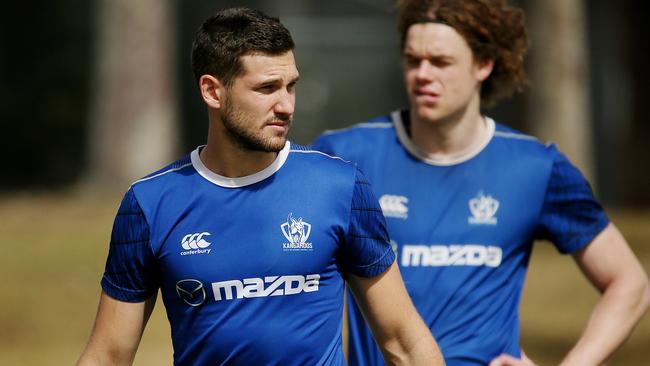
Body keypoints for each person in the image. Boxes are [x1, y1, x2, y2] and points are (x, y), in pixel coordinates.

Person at [76, 7, 444, 366]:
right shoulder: (150, 203)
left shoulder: (342, 187)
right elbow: (107, 355)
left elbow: (406, 343)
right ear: (212, 92)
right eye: (267, 88)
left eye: (290, 86)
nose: (285, 105)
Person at [312, 0, 650, 365]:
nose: (422, 74)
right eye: (413, 60)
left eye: (440, 62)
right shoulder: (345, 156)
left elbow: (630, 284)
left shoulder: (536, 168)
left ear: (483, 65)